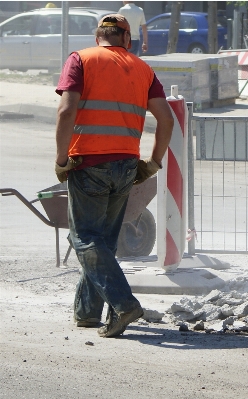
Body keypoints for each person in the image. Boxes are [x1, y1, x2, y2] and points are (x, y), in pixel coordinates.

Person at [54, 14, 174, 338]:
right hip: (126, 166)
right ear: (127, 40)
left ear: (98, 38)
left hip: (89, 164)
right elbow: (166, 118)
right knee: (103, 241)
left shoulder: (81, 59)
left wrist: (62, 159)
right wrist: (154, 162)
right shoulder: (143, 69)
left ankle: (123, 304)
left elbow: (66, 111)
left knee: (84, 238)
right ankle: (87, 313)